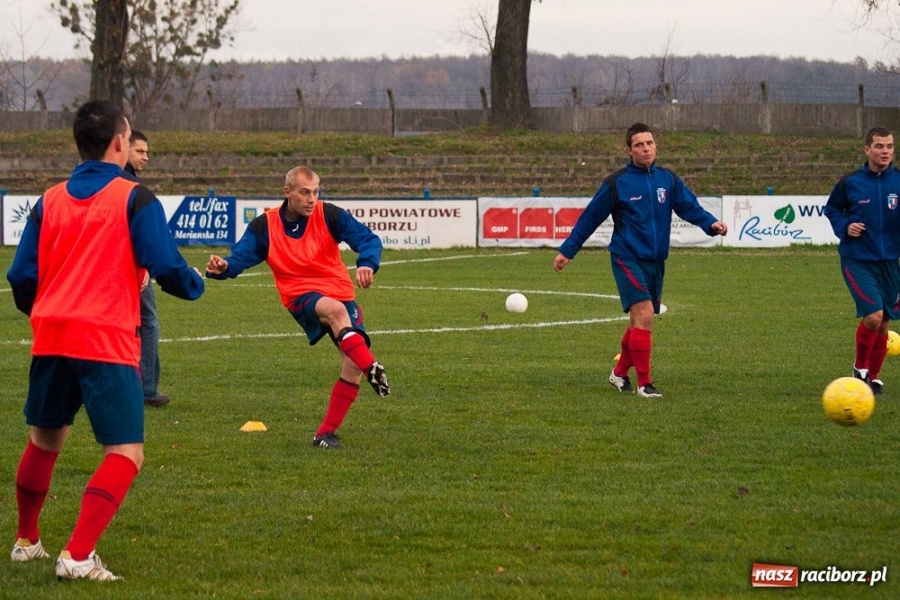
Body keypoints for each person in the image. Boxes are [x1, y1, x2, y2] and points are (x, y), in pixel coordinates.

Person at [6, 101, 205, 580]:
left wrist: (49, 312)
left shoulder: (48, 199)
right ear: (119, 143)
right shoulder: (134, 198)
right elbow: (167, 268)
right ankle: (76, 556)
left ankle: (27, 540)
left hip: (52, 336)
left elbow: (19, 276)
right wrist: (194, 282)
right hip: (105, 340)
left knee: (45, 440)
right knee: (126, 453)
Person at [205, 166, 390, 449]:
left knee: (351, 365)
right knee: (337, 313)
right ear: (287, 192)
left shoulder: (329, 214)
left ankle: (325, 434)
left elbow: (367, 239)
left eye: (316, 191)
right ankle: (373, 366)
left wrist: (367, 262)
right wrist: (225, 267)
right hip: (299, 294)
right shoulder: (264, 226)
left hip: (339, 289)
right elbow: (240, 257)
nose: (312, 198)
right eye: (305, 192)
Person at [553, 122, 728, 398]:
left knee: (639, 321)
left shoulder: (667, 180)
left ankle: (619, 373)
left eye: (649, 143)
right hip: (626, 257)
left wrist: (711, 223)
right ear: (629, 150)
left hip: (656, 261)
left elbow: (688, 207)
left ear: (655, 146)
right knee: (645, 315)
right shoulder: (617, 183)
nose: (645, 149)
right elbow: (590, 218)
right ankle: (645, 384)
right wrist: (568, 250)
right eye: (639, 145)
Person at [823, 126, 900, 396]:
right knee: (873, 316)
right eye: (879, 146)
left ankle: (874, 377)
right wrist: (846, 226)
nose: (885, 151)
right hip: (857, 259)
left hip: (890, 263)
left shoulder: (898, 181)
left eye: (889, 146)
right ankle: (860, 368)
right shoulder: (851, 182)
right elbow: (831, 209)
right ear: (867, 149)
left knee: (885, 323)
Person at [124, 129, 168, 407]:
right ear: (122, 147)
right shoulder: (131, 188)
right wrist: (145, 268)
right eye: (140, 151)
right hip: (132, 269)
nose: (146, 157)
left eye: (147, 152)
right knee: (148, 321)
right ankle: (147, 388)